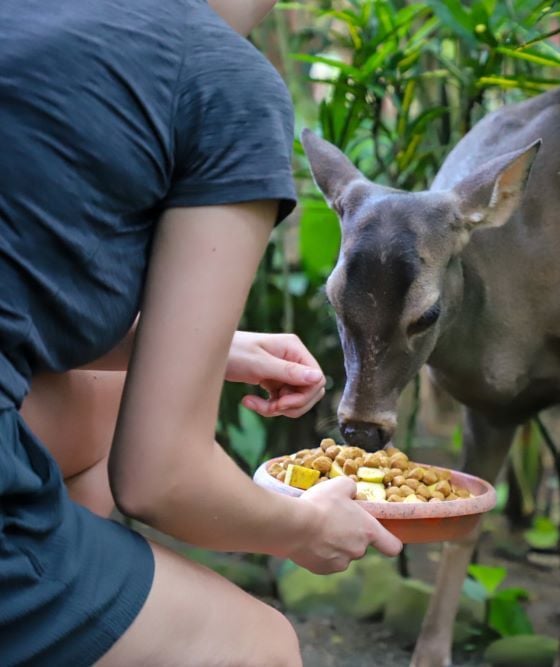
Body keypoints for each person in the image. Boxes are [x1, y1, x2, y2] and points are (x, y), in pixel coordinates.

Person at [0, 1, 402, 665]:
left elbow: (28, 292)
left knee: (102, 403)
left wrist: (218, 347)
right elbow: (160, 480)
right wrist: (304, 527)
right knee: (264, 647)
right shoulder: (219, 74)